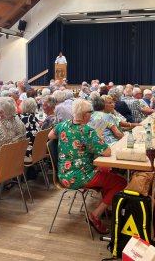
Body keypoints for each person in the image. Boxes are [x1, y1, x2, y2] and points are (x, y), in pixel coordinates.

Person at [48, 99, 127, 234]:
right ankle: (95, 215)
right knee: (121, 182)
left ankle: (106, 206)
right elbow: (107, 152)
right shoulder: (88, 131)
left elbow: (50, 135)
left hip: (64, 174)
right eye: (90, 112)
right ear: (85, 115)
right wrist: (98, 137)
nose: (91, 114)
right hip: (81, 176)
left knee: (107, 172)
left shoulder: (63, 125)